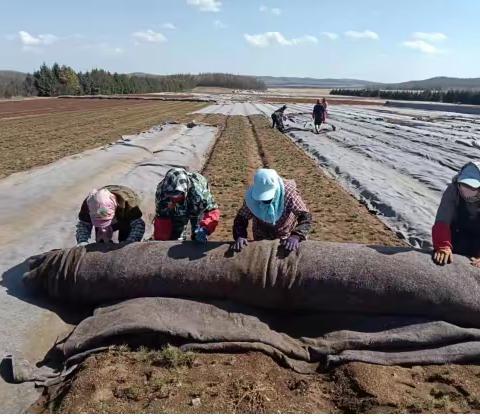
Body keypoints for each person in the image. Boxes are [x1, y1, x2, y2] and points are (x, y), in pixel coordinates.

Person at [232, 168, 312, 252]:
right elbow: (241, 217)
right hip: (261, 235)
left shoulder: (289, 193)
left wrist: (296, 235)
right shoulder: (251, 197)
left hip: (285, 236)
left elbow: (305, 216)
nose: (265, 201)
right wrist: (240, 235)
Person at [432, 162, 480, 267]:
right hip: (458, 232)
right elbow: (443, 218)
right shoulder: (454, 189)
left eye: (471, 189)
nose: (465, 193)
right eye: (463, 187)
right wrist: (443, 245)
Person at [154, 167, 220, 242]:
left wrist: (205, 228)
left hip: (196, 208)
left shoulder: (199, 192)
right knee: (176, 238)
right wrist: (162, 240)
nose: (174, 197)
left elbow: (212, 210)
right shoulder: (161, 194)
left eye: (177, 194)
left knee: (197, 235)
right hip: (177, 214)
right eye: (171, 194)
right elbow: (162, 217)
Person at [76, 185, 145, 245]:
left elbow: (138, 225)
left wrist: (130, 242)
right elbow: (84, 224)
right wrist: (82, 241)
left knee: (125, 240)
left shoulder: (129, 204)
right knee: (101, 243)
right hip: (108, 213)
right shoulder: (90, 203)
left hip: (124, 218)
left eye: (105, 221)